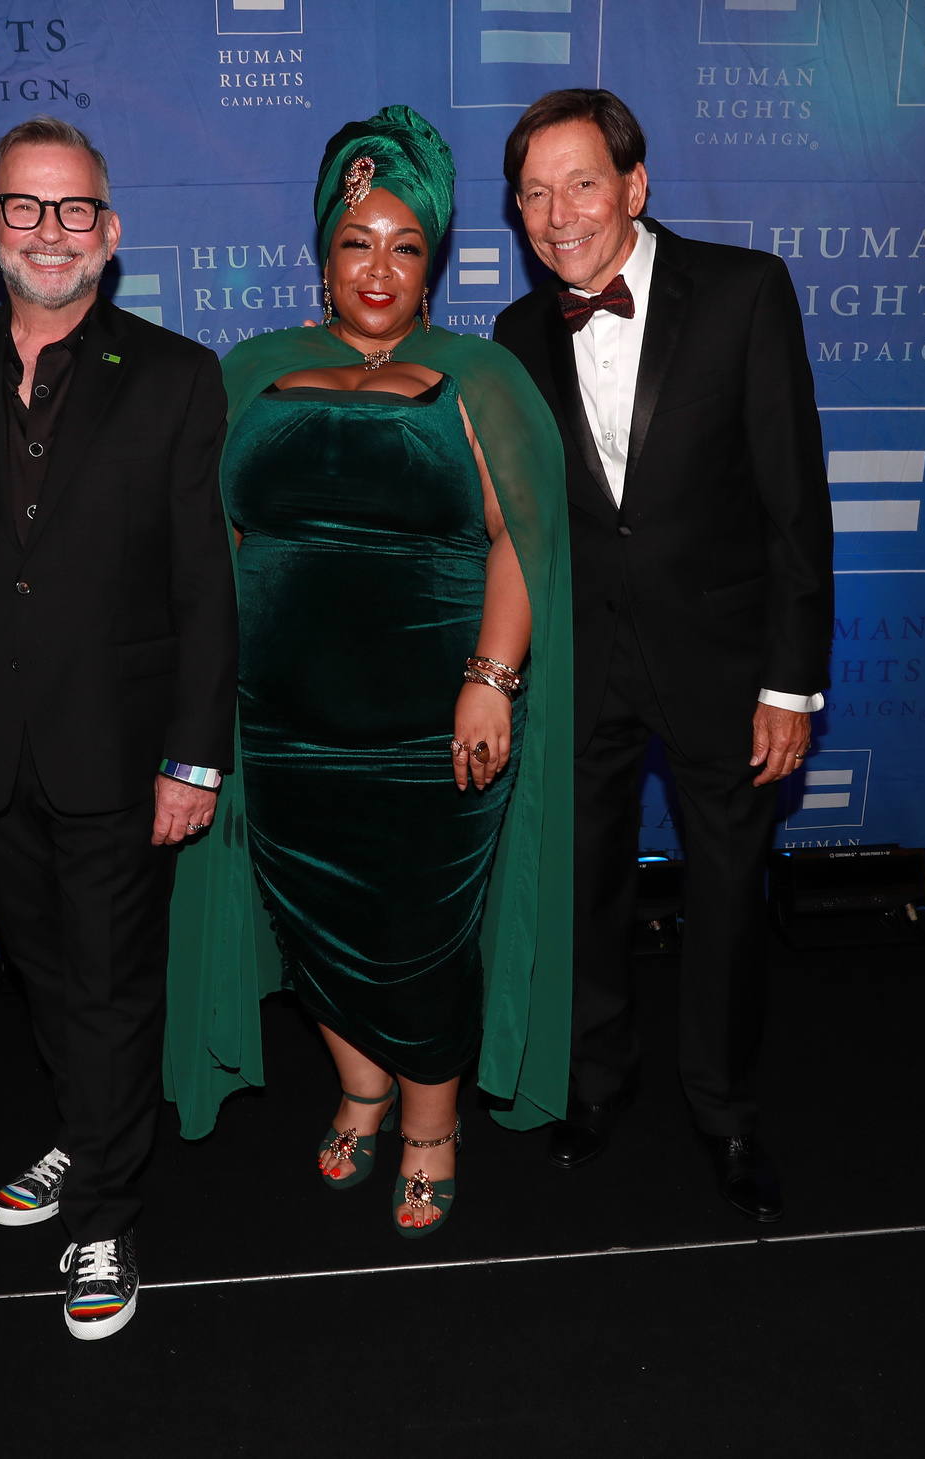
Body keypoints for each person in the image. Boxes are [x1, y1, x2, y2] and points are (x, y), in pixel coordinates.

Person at [163, 106, 575, 1237]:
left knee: (419, 933)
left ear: (434, 260)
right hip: (281, 722)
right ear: (323, 253)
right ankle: (361, 1086)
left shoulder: (480, 376)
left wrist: (491, 676)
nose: (379, 268)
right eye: (357, 243)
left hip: (430, 724)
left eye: (405, 244)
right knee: (309, 920)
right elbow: (209, 549)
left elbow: (522, 539)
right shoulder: (252, 372)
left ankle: (432, 1123)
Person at [0, 116, 237, 1339]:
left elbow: (204, 588)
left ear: (109, 232)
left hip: (123, 751)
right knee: (44, 972)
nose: (49, 231)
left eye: (73, 208)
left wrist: (194, 757)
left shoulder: (177, 376)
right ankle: (89, 1132)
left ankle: (107, 1217)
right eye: (24, 208)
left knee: (113, 984)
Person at [492, 90, 834, 1222]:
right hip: (579, 665)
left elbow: (795, 504)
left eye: (581, 183)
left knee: (726, 898)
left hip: (724, 663)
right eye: (534, 194)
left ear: (635, 186)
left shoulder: (744, 292)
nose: (558, 215)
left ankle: (726, 1111)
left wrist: (790, 681)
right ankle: (596, 1081)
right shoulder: (515, 336)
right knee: (581, 888)